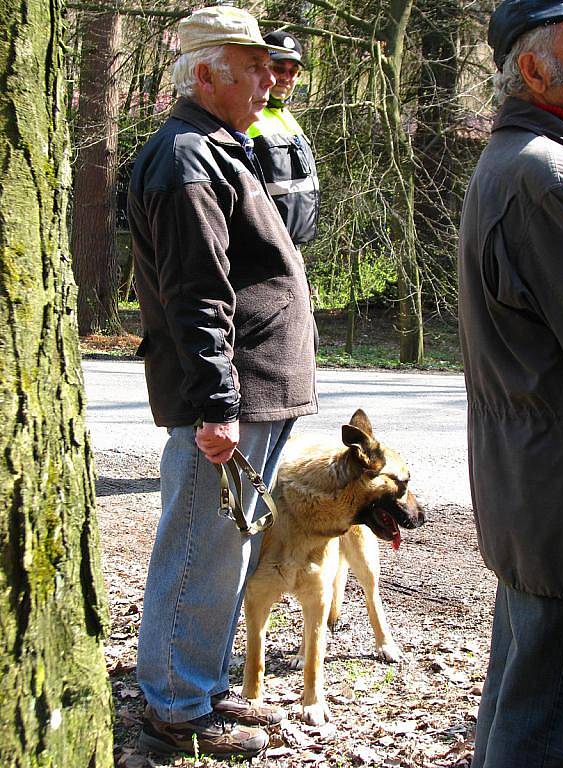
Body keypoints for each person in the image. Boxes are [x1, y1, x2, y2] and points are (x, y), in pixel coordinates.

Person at [127, 6, 317, 759]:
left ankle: (200, 691)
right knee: (200, 548)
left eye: (272, 65)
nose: (272, 78)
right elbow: (197, 297)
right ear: (206, 73)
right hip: (230, 402)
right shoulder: (185, 161)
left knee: (227, 547)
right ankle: (176, 706)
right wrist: (215, 407)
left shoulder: (219, 147)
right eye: (255, 66)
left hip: (254, 393)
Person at [458, 2, 563, 766]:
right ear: (532, 69)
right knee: (546, 725)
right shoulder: (545, 175)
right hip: (562, 500)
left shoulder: (527, 163)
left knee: (524, 700)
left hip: (539, 494)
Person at [247, 31, 320, 246]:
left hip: (294, 245)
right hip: (264, 248)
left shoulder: (287, 117)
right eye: (279, 68)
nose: (286, 77)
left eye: (294, 71)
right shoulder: (247, 114)